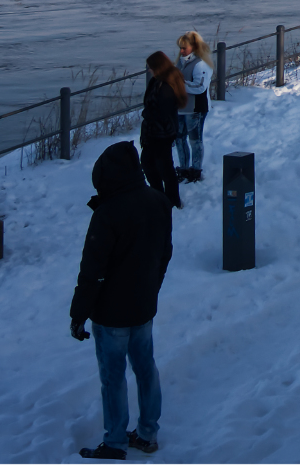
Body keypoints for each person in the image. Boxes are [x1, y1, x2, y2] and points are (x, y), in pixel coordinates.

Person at [71, 141, 174, 460]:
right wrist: (151, 289)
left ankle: (115, 441)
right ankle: (147, 434)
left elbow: (92, 271)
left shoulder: (107, 213)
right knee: (146, 368)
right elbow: (164, 253)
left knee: (113, 378)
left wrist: (79, 314)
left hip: (111, 313)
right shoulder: (158, 201)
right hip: (143, 305)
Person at [140, 52, 183, 209]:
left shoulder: (166, 86)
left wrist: (147, 114)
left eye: (151, 67)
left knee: (163, 167)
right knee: (149, 164)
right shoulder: (156, 82)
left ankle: (171, 200)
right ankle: (158, 195)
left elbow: (163, 112)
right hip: (153, 132)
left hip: (162, 134)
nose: (149, 70)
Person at [174, 33, 212, 183]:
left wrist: (178, 84)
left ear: (194, 48)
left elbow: (200, 87)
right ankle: (183, 168)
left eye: (184, 48)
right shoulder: (181, 63)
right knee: (179, 138)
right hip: (181, 107)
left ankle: (196, 170)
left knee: (195, 140)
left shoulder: (200, 64)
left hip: (196, 108)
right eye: (180, 48)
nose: (181, 51)